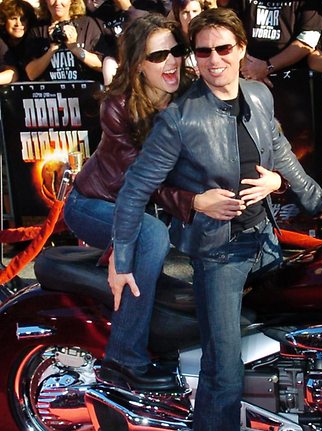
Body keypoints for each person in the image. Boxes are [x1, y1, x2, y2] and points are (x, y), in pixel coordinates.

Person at [110, 8, 322, 431]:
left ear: (241, 49)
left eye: (224, 48)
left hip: (266, 238)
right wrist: (122, 260)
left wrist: (313, 198)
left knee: (307, 334)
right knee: (224, 370)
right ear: (193, 56)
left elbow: (279, 149)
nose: (214, 60)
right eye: (203, 51)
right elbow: (135, 189)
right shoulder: (178, 118)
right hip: (219, 252)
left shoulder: (259, 94)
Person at [64, 14, 216, 391]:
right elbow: (143, 186)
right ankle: (124, 361)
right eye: (158, 55)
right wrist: (197, 202)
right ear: (137, 64)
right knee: (149, 236)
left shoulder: (190, 93)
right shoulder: (118, 107)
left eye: (176, 51)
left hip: (150, 206)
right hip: (95, 204)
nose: (172, 62)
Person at [24, 0, 106, 81]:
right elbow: (31, 74)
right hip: (51, 91)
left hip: (83, 90)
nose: (57, 3)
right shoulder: (38, 30)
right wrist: (52, 49)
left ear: (72, 1)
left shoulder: (87, 24)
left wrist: (75, 48)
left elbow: (101, 65)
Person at [0, 0, 36, 83]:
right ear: (4, 20)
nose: (18, 24)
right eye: (13, 18)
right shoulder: (2, 41)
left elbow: (13, 74)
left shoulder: (35, 39)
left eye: (23, 19)